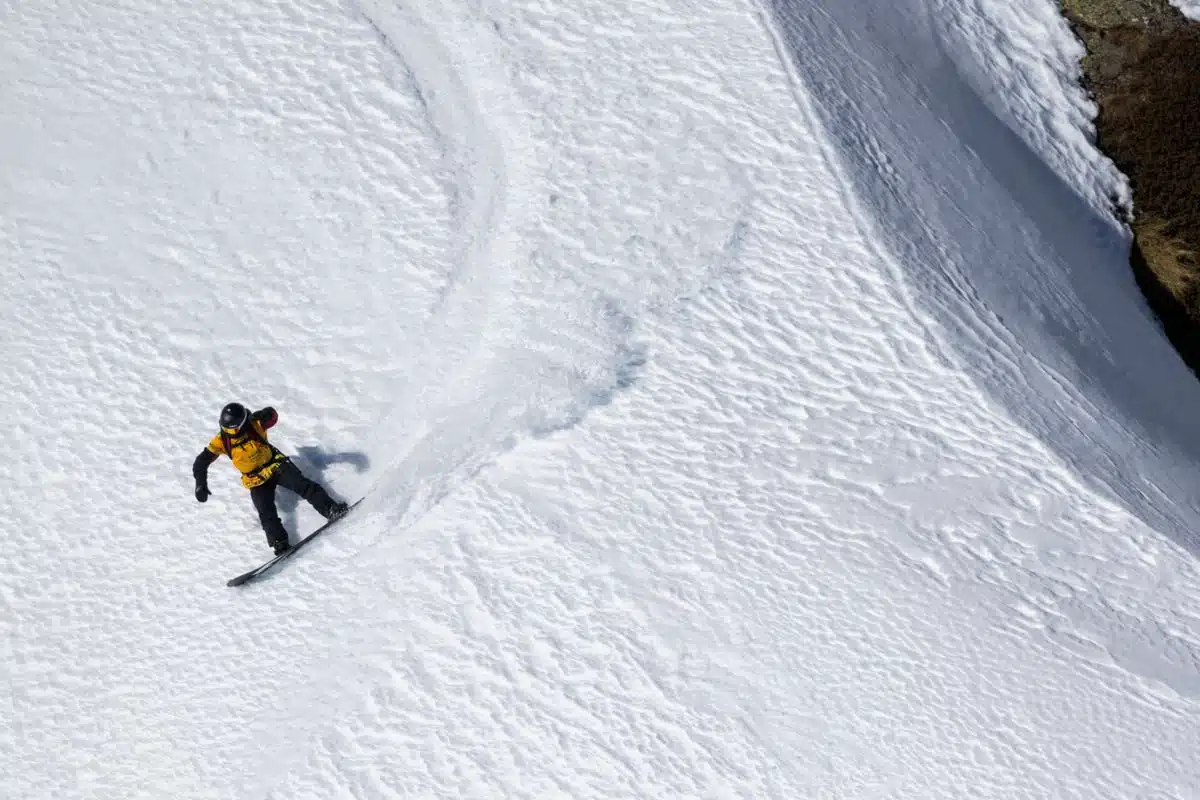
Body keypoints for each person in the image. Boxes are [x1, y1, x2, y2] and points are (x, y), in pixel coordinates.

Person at [193, 402, 348, 555]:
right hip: (255, 479)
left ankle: (330, 509)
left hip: (275, 466)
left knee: (302, 485)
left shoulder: (255, 423)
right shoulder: (222, 440)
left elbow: (273, 417)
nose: (228, 432)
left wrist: (267, 412)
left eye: (232, 429)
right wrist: (200, 483)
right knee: (265, 511)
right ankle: (279, 542)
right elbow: (201, 461)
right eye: (225, 428)